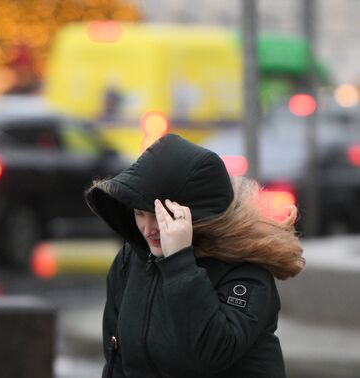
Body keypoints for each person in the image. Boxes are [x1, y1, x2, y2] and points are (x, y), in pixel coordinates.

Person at [85, 134, 305, 378]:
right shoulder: (130, 259)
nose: (148, 228)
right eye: (139, 213)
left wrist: (179, 262)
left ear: (194, 214)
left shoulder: (245, 271)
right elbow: (117, 357)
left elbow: (213, 352)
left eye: (160, 215)